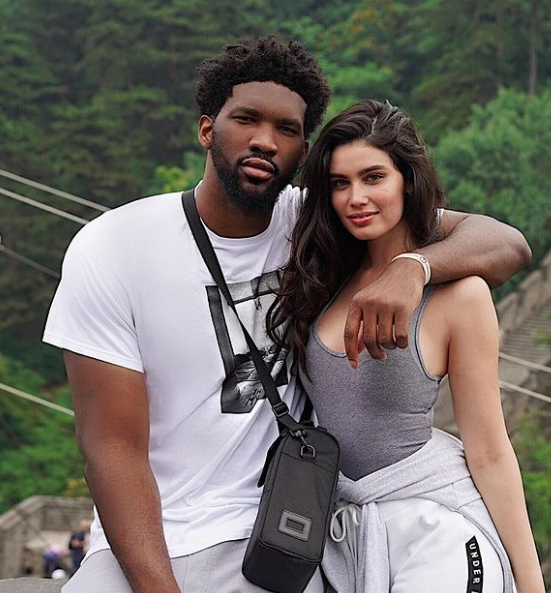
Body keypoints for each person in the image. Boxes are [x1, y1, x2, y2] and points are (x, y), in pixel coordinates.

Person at [42, 36, 531, 593]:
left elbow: (504, 242)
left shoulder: (316, 225)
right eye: (245, 119)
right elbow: (110, 446)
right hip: (161, 538)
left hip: (282, 530)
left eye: (287, 131)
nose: (263, 142)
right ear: (207, 129)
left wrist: (412, 267)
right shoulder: (115, 247)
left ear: (302, 154)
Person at [267, 100, 544, 593]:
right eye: (340, 183)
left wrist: (530, 583)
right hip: (340, 531)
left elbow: (489, 450)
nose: (356, 197)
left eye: (374, 177)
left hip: (433, 526)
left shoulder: (460, 295)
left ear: (407, 181)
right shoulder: (327, 274)